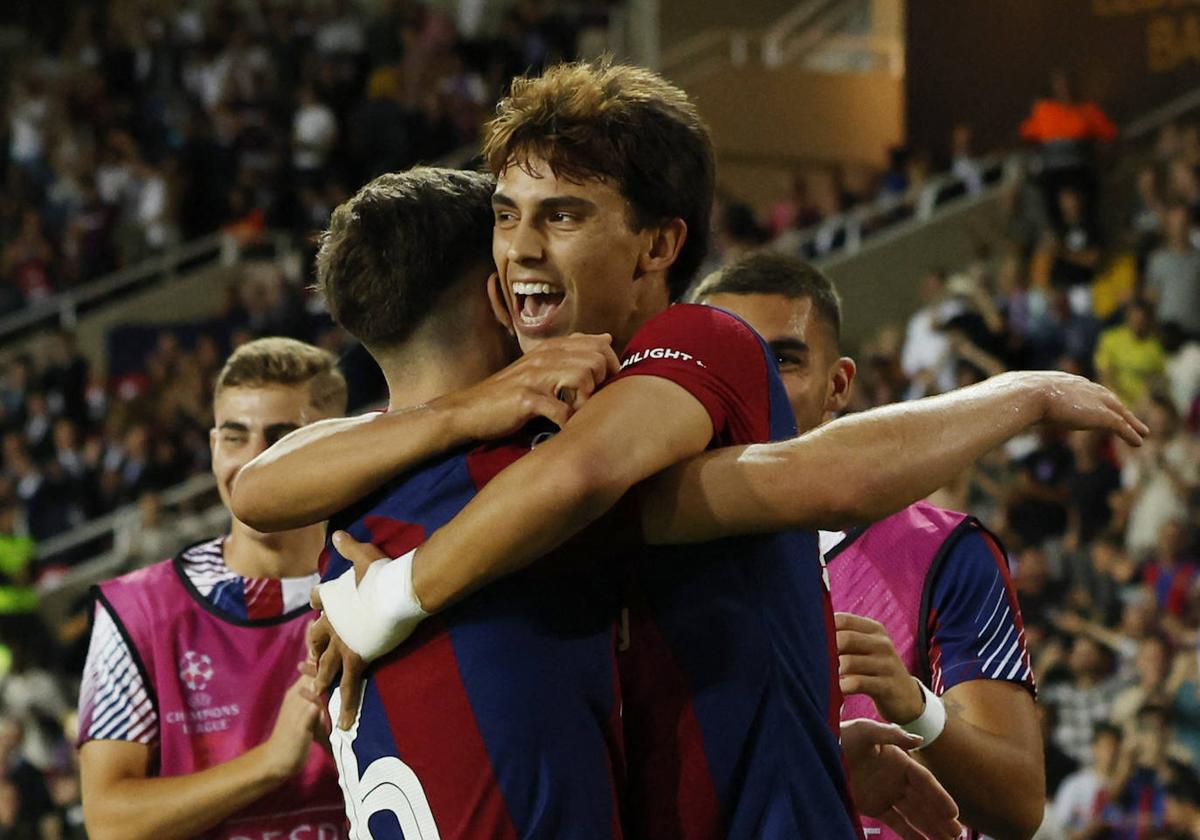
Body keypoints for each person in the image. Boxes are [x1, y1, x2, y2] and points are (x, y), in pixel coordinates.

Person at [261, 62, 1141, 838]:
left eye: (561, 215)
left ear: (660, 242)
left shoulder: (697, 339)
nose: (522, 246)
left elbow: (760, 478)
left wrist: (385, 601)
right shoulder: (504, 454)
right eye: (506, 214)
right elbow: (263, 486)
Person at [691, 252, 1044, 839]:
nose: (755, 383)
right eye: (728, 360)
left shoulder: (942, 551)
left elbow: (1016, 805)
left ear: (838, 385)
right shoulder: (645, 551)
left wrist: (914, 705)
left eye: (783, 359)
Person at [76, 338, 353, 840]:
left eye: (281, 436)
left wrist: (349, 745)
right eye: (235, 437)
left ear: (332, 441)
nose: (252, 462)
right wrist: (269, 763)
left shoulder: (373, 582)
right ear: (211, 449)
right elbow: (109, 820)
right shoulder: (138, 612)